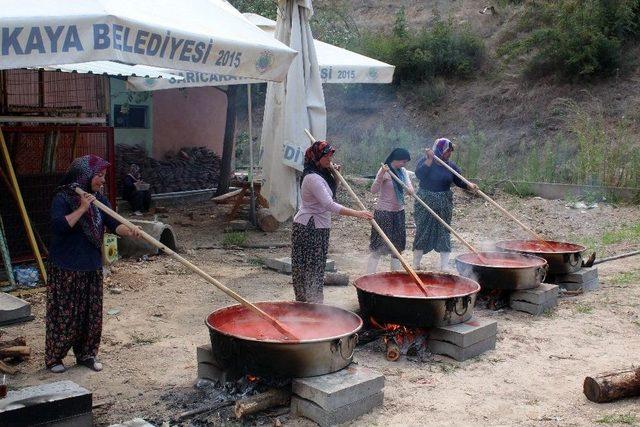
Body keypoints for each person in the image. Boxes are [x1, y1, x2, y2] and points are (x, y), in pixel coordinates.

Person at [46, 155, 141, 373]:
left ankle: (87, 354)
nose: (102, 180)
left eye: (103, 176)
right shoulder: (63, 197)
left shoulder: (100, 200)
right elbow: (60, 226)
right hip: (66, 266)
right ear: (85, 176)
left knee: (91, 315)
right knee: (65, 315)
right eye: (99, 175)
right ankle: (55, 358)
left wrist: (131, 231)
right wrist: (82, 208)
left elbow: (114, 224)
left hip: (91, 265)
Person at [291, 140, 373, 303]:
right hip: (309, 226)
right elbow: (329, 204)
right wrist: (358, 214)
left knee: (316, 266)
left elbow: (330, 194)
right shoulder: (312, 178)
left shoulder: (321, 174)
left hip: (318, 225)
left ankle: (313, 303)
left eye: (331, 155)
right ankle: (307, 304)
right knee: (309, 267)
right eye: (326, 156)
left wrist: (335, 175)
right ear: (316, 158)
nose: (330, 159)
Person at [413, 138, 477, 271]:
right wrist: (430, 160)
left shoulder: (451, 166)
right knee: (422, 230)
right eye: (448, 150)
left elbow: (459, 181)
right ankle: (416, 263)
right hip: (425, 200)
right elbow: (419, 174)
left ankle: (444, 266)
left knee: (444, 231)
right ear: (439, 150)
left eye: (451, 151)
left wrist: (469, 186)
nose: (450, 153)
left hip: (444, 202)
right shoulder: (425, 161)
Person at [366, 148, 414, 274]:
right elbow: (373, 190)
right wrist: (381, 174)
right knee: (378, 246)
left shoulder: (403, 172)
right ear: (396, 160)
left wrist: (410, 190)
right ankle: (370, 275)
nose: (404, 164)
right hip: (384, 212)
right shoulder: (384, 170)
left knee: (397, 247)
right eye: (403, 161)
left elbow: (410, 188)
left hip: (398, 212)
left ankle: (395, 275)